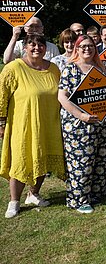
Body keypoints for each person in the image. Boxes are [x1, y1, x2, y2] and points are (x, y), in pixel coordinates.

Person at [0, 34, 65, 218]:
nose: (37, 48)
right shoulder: (14, 67)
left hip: (49, 122)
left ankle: (34, 194)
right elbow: (2, 96)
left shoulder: (53, 68)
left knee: (43, 157)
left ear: (46, 48)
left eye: (41, 45)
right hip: (23, 123)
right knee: (21, 160)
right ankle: (14, 201)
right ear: (25, 47)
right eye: (32, 44)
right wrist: (1, 122)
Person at [58, 35, 106, 214]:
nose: (87, 49)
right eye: (83, 46)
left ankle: (96, 193)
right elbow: (62, 97)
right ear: (77, 49)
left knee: (100, 159)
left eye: (90, 46)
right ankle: (79, 199)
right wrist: (81, 116)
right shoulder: (70, 69)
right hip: (78, 125)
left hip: (101, 124)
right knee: (81, 161)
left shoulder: (100, 68)